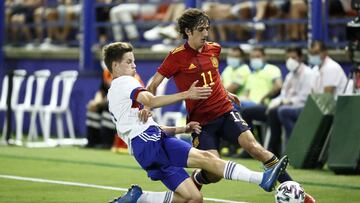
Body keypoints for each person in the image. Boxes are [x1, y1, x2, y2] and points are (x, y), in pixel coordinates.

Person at [147, 8, 315, 203]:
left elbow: (213, 77)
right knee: (215, 171)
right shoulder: (176, 57)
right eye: (200, 29)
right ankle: (198, 177)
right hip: (202, 123)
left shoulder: (214, 49)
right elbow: (153, 85)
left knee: (255, 148)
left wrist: (225, 92)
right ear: (188, 31)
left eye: (207, 29)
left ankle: (299, 194)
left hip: (225, 111)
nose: (205, 33)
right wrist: (146, 107)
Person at [103, 42, 288, 203]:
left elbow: (144, 128)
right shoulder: (125, 81)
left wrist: (182, 128)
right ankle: (261, 179)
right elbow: (150, 100)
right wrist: (186, 94)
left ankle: (139, 199)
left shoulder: (115, 91)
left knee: (193, 198)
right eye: (129, 62)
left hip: (145, 145)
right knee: (207, 159)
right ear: (115, 65)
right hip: (149, 143)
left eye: (134, 61)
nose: (134, 66)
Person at [278, 41, 347, 138]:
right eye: (311, 53)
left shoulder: (331, 67)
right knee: (280, 112)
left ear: (325, 53)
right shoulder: (315, 70)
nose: (313, 56)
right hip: (318, 108)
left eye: (316, 53)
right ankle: (293, 145)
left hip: (331, 110)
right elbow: (312, 94)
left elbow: (326, 98)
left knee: (284, 112)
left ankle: (295, 144)